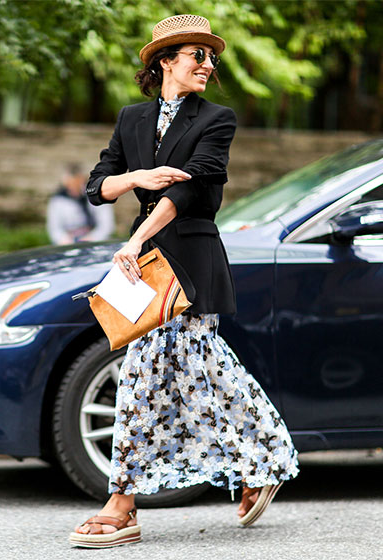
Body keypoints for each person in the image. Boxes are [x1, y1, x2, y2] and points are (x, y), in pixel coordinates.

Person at [69, 14, 299, 548]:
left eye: (210, 56)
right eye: (197, 54)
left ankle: (122, 506)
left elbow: (194, 189)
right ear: (166, 60)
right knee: (187, 376)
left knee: (173, 374)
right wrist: (136, 178)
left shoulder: (217, 119)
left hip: (189, 259)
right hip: (145, 267)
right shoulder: (131, 119)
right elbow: (97, 185)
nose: (207, 64)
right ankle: (260, 463)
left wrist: (134, 237)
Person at [46, 163, 114, 245]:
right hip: (68, 243)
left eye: (77, 182)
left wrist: (92, 238)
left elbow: (106, 225)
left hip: (94, 242)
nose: (74, 186)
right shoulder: (57, 202)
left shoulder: (95, 196)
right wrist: (65, 240)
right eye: (71, 182)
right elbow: (55, 228)